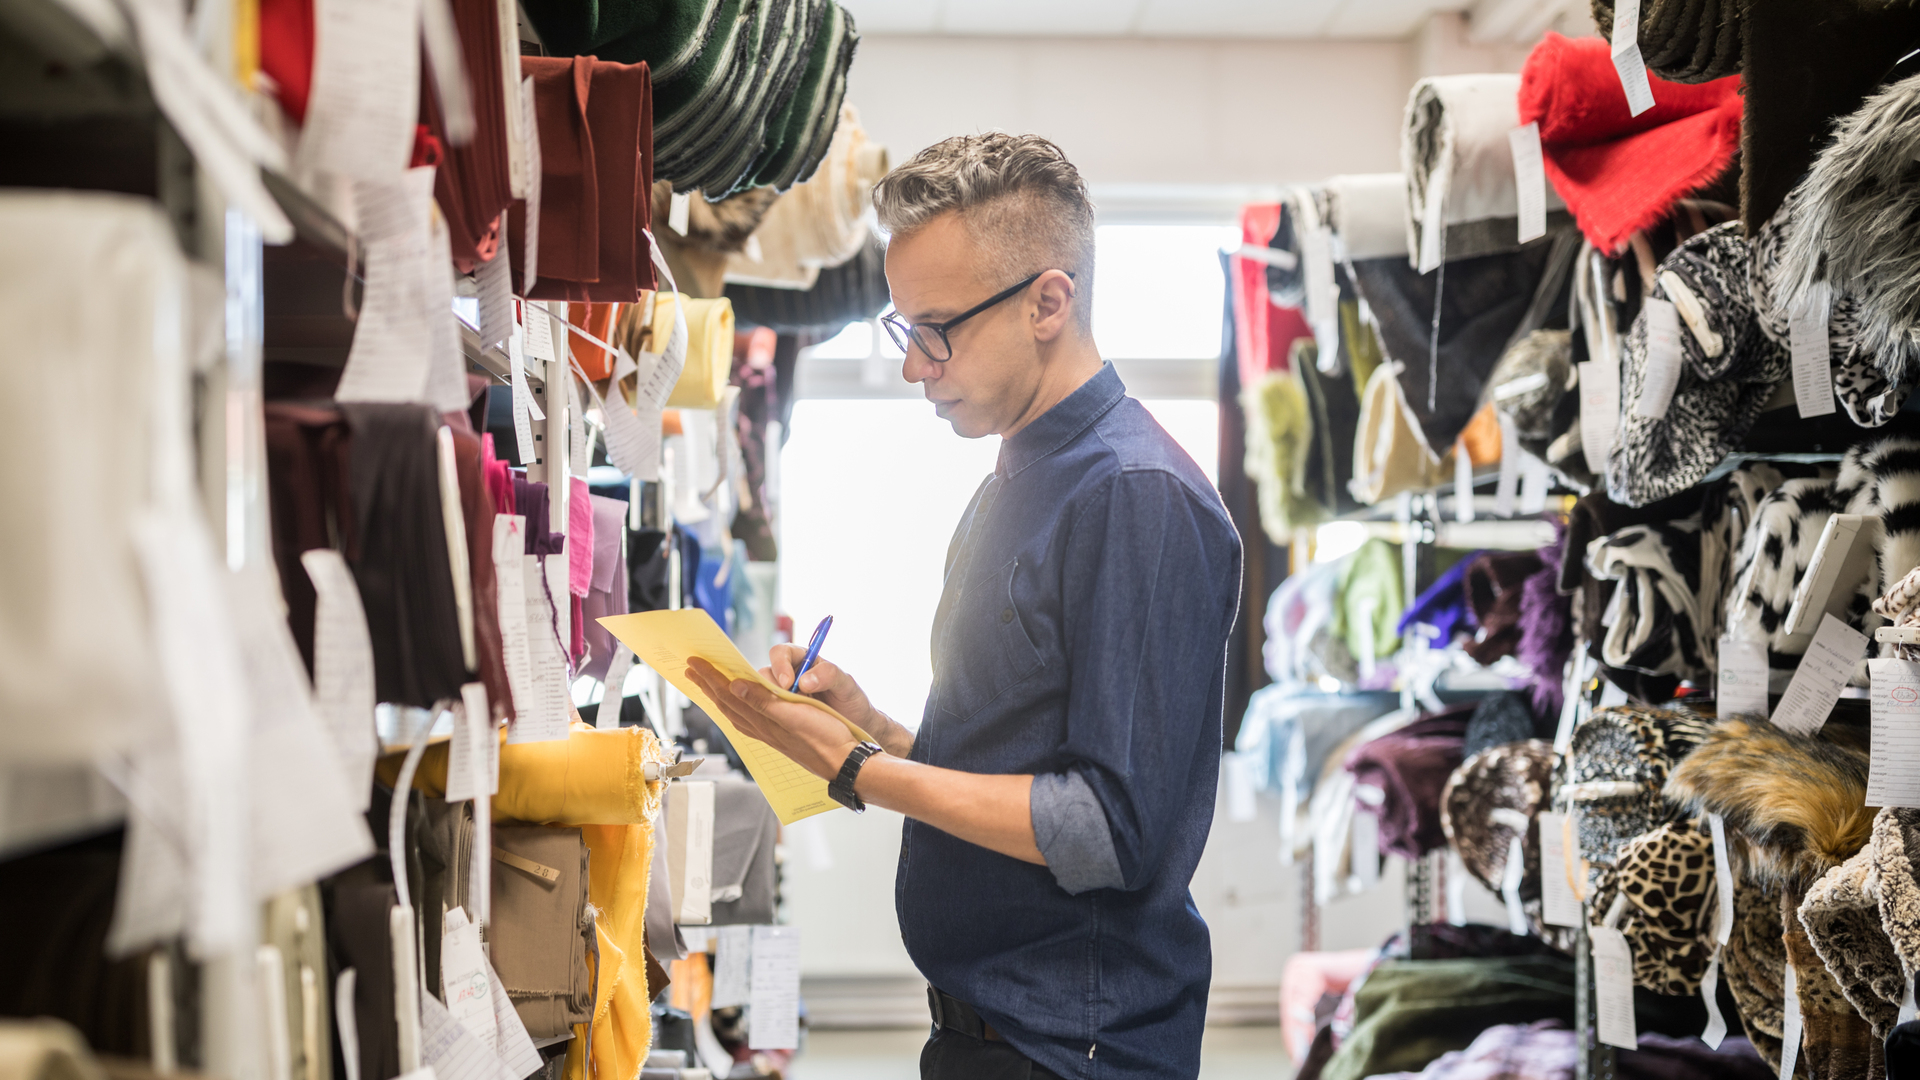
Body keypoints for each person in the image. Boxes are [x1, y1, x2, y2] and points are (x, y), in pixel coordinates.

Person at [686, 133, 1242, 1080]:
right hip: (994, 1031)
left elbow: (1108, 829)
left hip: (1073, 1050)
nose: (915, 367)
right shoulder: (1021, 475)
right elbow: (1020, 764)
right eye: (903, 332)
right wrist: (875, 727)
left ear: (1047, 303)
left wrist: (859, 769)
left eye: (937, 329)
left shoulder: (1133, 494)